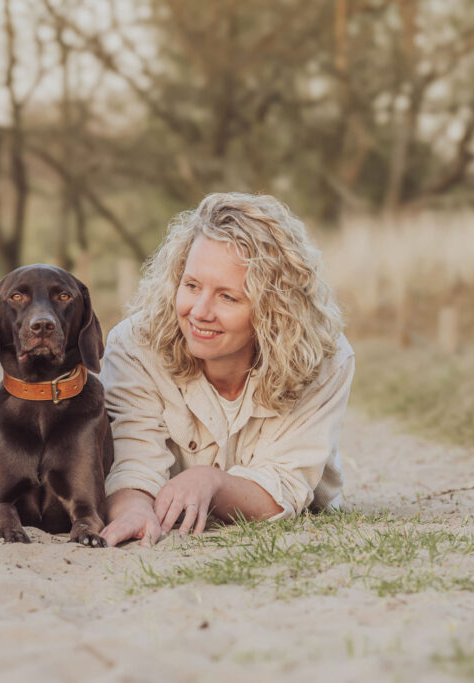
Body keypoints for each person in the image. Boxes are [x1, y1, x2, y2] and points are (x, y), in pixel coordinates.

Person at [98, 192, 353, 548]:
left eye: (227, 297)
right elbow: (131, 461)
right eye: (191, 286)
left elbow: (285, 485)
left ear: (273, 309)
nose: (199, 311)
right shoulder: (135, 344)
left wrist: (211, 482)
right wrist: (133, 511)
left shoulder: (325, 358)